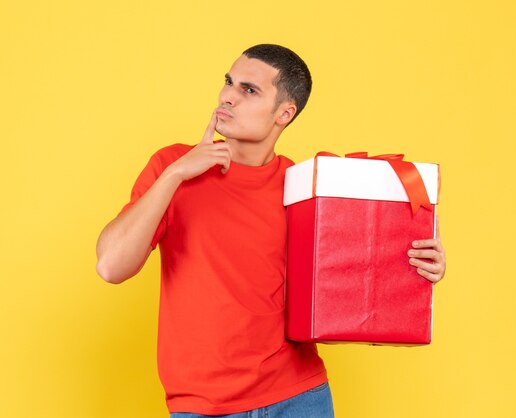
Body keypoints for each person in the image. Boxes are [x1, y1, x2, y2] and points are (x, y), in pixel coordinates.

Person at [95, 44, 446, 418]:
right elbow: (111, 267)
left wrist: (417, 269)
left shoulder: (303, 187)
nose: (227, 96)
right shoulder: (172, 165)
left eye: (248, 90)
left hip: (298, 399)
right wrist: (175, 175)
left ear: (284, 113)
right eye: (229, 82)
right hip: (203, 406)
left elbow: (353, 275)